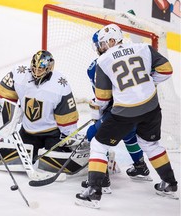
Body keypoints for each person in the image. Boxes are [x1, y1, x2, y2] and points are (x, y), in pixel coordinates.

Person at [75, 24, 178, 208]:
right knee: (150, 144)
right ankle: (169, 184)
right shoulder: (143, 48)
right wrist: (148, 83)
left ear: (112, 41)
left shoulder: (104, 60)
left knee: (98, 145)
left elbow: (103, 98)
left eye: (103, 44)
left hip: (125, 112)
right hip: (151, 106)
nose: (101, 48)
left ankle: (93, 192)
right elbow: (167, 70)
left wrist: (97, 113)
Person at [81, 30, 152, 192]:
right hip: (140, 110)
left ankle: (102, 179)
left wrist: (96, 113)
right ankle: (140, 167)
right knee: (129, 133)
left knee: (94, 135)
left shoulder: (96, 66)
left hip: (118, 112)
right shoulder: (135, 53)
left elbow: (102, 99)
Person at [0, 50, 79, 160]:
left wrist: (69, 137)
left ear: (49, 68)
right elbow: (3, 94)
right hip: (28, 132)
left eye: (40, 68)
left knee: (53, 159)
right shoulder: (19, 74)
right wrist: (14, 110)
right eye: (34, 67)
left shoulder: (59, 85)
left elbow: (67, 116)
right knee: (16, 158)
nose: (36, 71)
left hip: (52, 133)